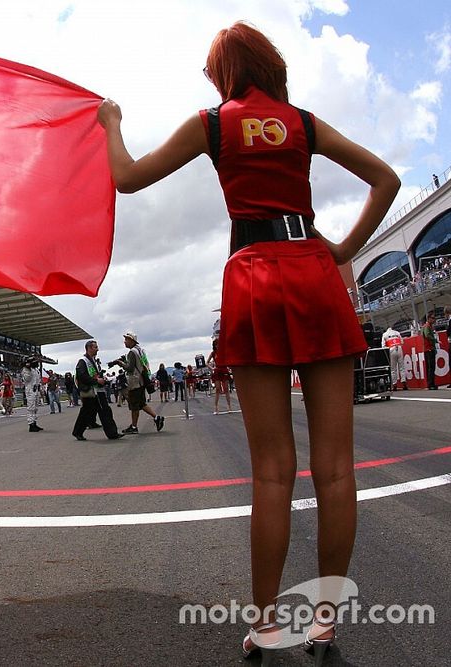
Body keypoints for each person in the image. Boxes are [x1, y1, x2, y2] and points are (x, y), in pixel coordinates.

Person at [97, 21, 399, 659]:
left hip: (255, 274)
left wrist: (110, 123)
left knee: (272, 472)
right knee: (337, 469)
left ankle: (265, 624)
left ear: (224, 72)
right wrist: (343, 248)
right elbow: (387, 179)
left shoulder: (212, 123)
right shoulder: (303, 122)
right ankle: (324, 621)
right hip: (314, 272)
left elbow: (126, 178)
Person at [112, 333, 165, 434]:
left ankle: (134, 426)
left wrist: (121, 363)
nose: (124, 342)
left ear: (131, 341)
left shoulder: (132, 352)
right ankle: (157, 418)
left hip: (135, 381)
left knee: (134, 405)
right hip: (141, 380)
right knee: (141, 403)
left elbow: (130, 368)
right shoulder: (140, 350)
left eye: (126, 340)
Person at [72, 340, 122, 441]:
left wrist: (103, 379)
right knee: (89, 412)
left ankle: (112, 433)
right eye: (95, 347)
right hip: (91, 392)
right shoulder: (83, 361)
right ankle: (78, 432)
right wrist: (96, 380)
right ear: (89, 348)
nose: (97, 349)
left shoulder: (93, 360)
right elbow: (82, 376)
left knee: (103, 411)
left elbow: (94, 375)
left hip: (98, 391)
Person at [207, 340, 234, 414]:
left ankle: (229, 406)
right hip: (217, 370)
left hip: (224, 369)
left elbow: (229, 359)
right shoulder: (213, 353)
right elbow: (207, 362)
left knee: (226, 389)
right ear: (214, 345)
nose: (217, 346)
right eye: (216, 344)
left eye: (218, 344)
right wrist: (212, 368)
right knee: (218, 389)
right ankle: (216, 407)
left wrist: (229, 367)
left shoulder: (224, 352)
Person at [21, 356, 43, 432]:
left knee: (35, 407)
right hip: (30, 390)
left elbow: (38, 380)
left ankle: (34, 422)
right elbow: (27, 379)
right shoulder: (26, 370)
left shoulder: (36, 370)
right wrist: (28, 369)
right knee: (31, 408)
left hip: (36, 389)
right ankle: (31, 424)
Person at [380, 325, 406, 390]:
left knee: (393, 369)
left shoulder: (384, 334)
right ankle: (404, 383)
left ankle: (394, 385)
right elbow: (402, 342)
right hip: (399, 348)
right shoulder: (397, 332)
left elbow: (383, 346)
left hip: (391, 350)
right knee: (402, 367)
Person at [422, 312, 439, 390]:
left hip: (428, 348)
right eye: (432, 318)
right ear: (428, 318)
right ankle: (431, 384)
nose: (434, 319)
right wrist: (435, 340)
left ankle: (431, 383)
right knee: (431, 367)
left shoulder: (428, 326)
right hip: (429, 348)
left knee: (430, 367)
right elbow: (427, 335)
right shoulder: (427, 326)